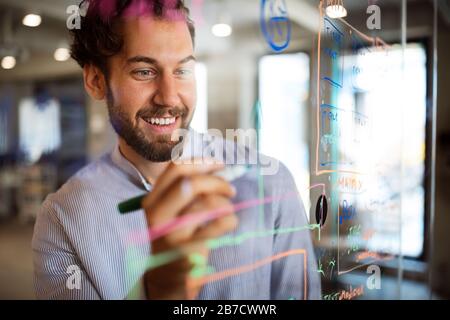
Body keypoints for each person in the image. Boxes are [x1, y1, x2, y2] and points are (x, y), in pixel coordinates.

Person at [32, 0, 320, 300]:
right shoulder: (63, 220)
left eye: (182, 70)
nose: (169, 97)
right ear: (95, 80)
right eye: (144, 71)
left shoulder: (270, 184)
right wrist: (160, 290)